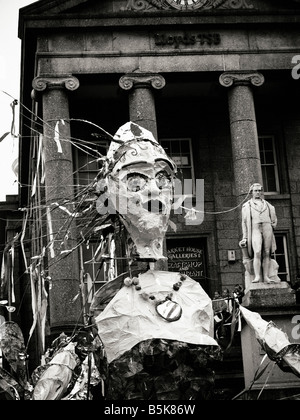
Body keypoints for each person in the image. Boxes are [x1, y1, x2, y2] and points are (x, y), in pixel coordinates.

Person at [240, 183, 277, 283]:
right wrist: (245, 237)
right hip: (255, 229)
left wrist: (273, 223)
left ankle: (266, 276)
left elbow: (274, 220)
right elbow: (244, 223)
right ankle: (257, 276)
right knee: (257, 252)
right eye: (256, 190)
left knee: (267, 252)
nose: (258, 192)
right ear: (251, 192)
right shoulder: (247, 206)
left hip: (267, 227)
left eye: (259, 190)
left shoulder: (268, 205)